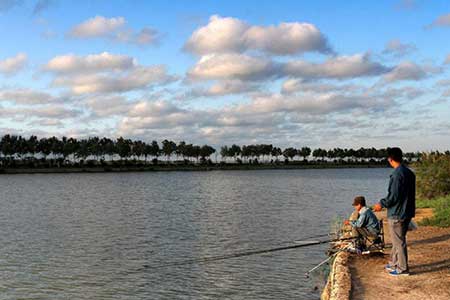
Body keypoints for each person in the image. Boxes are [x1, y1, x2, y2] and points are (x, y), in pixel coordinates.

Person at [373, 147, 415, 276]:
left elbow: (393, 197)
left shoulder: (397, 174)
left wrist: (381, 204)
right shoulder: (409, 172)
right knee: (398, 240)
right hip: (407, 211)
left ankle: (402, 268)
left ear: (390, 159)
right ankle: (394, 263)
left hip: (397, 213)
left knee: (399, 241)